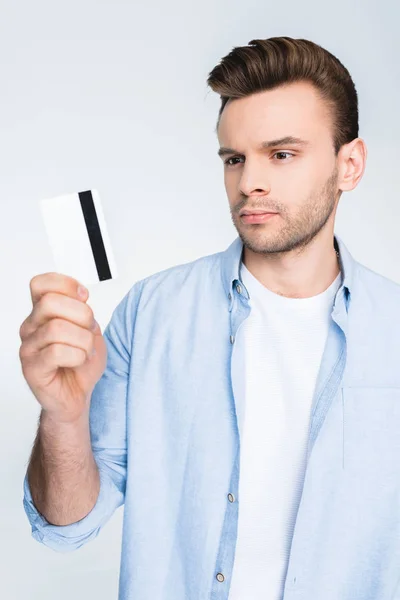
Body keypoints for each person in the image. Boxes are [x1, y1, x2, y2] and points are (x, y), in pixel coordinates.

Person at [19, 36, 400, 600]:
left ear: (350, 165)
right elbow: (68, 524)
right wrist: (63, 416)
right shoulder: (152, 313)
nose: (250, 183)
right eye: (234, 159)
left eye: (283, 154)